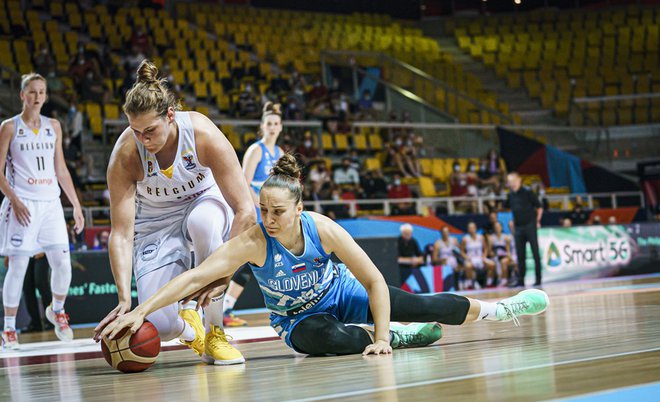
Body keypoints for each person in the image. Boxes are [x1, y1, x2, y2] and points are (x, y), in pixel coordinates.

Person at [99, 154, 550, 357]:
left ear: (299, 208)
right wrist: (140, 310)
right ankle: (396, 337)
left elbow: (374, 281)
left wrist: (378, 327)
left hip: (343, 293)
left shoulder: (324, 229)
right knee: (331, 341)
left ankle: (501, 309)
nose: (269, 219)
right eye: (263, 211)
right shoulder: (255, 241)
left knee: (424, 305)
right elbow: (193, 278)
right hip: (297, 321)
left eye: (278, 212)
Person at [93, 60, 256, 365]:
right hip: (155, 222)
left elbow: (245, 209)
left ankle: (215, 331)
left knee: (203, 223)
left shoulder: (202, 133)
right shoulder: (126, 154)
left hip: (205, 202)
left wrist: (224, 275)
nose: (144, 140)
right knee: (162, 328)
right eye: (136, 131)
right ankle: (189, 328)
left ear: (170, 115)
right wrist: (124, 299)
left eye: (150, 131)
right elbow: (121, 234)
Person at [0, 73, 85, 349]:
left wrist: (76, 205)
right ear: (22, 95)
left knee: (62, 263)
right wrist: (13, 199)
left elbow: (60, 169)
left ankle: (57, 310)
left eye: (42, 92)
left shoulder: (54, 126)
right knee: (19, 266)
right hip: (23, 204)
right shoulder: (9, 127)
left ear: (46, 96)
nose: (37, 97)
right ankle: (9, 329)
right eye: (32, 92)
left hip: (51, 205)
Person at [223, 102, 284, 327]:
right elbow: (243, 183)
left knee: (252, 264)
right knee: (240, 262)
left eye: (276, 123)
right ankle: (217, 306)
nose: (272, 127)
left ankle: (225, 308)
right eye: (269, 123)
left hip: (269, 214)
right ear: (262, 126)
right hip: (254, 212)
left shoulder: (280, 152)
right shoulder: (256, 150)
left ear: (281, 127)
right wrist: (262, 204)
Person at [506, 172, 543, 287]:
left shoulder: (527, 192)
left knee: (535, 253)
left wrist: (537, 221)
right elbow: (509, 208)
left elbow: (540, 207)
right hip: (518, 228)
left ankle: (538, 279)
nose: (511, 184)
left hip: (530, 226)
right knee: (520, 255)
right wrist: (511, 221)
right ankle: (521, 280)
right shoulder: (510, 195)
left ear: (519, 180)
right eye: (509, 182)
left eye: (513, 181)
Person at [461, 222, 496, 289]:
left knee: (492, 264)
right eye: (470, 228)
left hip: (480, 258)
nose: (472, 229)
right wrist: (466, 257)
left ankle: (489, 283)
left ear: (476, 228)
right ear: (468, 229)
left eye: (473, 227)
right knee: (468, 266)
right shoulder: (465, 239)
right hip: (471, 258)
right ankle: (470, 284)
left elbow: (485, 248)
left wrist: (484, 256)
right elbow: (462, 251)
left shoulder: (481, 237)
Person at [489, 221, 513, 287]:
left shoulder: (506, 237)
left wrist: (508, 256)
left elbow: (508, 251)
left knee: (503, 261)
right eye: (496, 227)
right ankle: (494, 280)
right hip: (495, 256)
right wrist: (493, 254)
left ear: (501, 227)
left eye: (499, 227)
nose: (497, 228)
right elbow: (489, 251)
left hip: (505, 256)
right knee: (495, 261)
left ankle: (504, 280)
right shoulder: (491, 238)